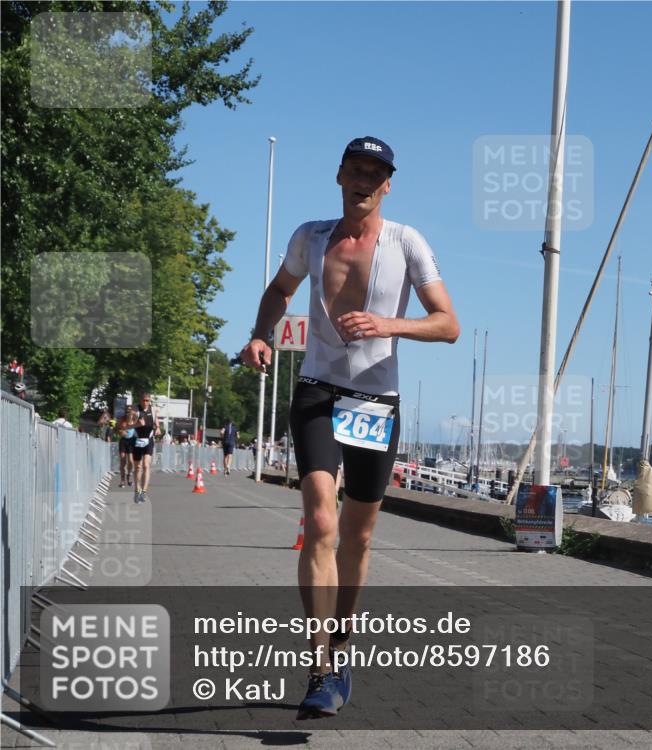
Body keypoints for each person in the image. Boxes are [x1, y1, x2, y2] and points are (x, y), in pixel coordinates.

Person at [240, 136, 459, 720]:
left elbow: (448, 325)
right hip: (317, 390)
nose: (364, 180)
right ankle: (321, 665)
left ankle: (342, 642)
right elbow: (279, 291)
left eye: (375, 173)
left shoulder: (406, 242)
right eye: (355, 169)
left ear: (388, 184)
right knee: (320, 519)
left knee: (357, 536)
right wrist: (262, 333)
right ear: (339, 175)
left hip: (373, 400)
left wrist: (389, 323)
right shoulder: (310, 237)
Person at [131, 393, 160, 503]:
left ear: (150, 401)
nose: (145, 402)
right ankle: (137, 490)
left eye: (147, 400)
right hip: (137, 439)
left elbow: (156, 423)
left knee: (146, 465)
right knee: (138, 467)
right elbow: (129, 424)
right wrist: (137, 423)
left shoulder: (153, 410)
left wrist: (157, 428)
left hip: (149, 439)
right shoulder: (135, 409)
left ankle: (144, 491)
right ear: (140, 400)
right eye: (144, 400)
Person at [117, 407, 136, 487]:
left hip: (132, 441)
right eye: (127, 412)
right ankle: (122, 480)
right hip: (123, 441)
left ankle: (129, 476)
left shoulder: (135, 420)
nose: (129, 413)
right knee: (123, 460)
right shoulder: (122, 419)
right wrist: (121, 432)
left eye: (130, 412)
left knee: (131, 461)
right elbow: (117, 429)